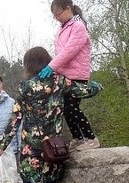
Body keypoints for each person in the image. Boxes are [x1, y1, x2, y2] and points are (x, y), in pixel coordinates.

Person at [0, 47, 73, 183]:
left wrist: (2, 146)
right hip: (53, 149)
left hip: (30, 148)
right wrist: (95, 85)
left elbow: (16, 119)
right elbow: (84, 90)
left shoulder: (24, 87)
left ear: (28, 65)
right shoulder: (59, 82)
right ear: (47, 60)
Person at [39, 0, 99, 150]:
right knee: (65, 108)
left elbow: (69, 51)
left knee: (72, 108)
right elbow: (60, 52)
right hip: (65, 75)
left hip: (77, 74)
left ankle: (91, 137)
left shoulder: (78, 26)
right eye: (54, 16)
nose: (56, 18)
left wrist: (51, 66)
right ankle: (78, 138)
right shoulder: (62, 28)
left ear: (68, 9)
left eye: (57, 14)